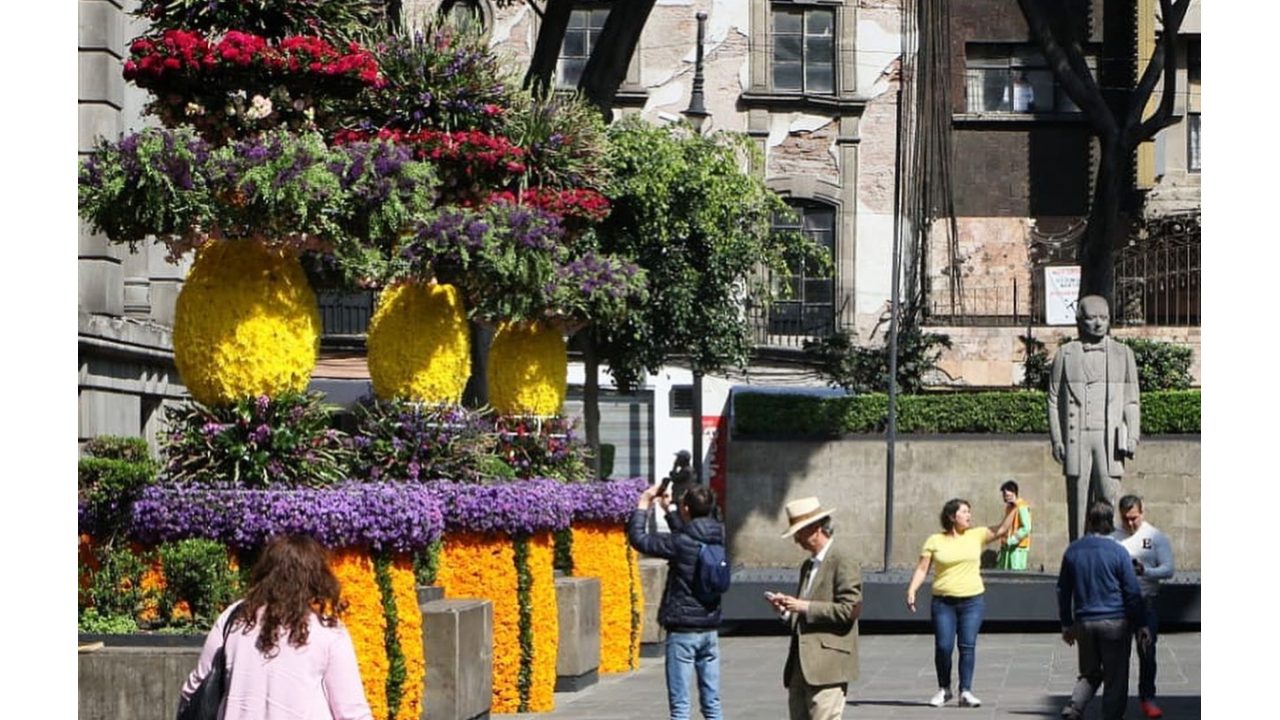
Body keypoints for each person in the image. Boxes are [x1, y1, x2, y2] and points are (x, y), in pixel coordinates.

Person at [179, 534, 373, 720]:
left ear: (265, 573)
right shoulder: (328, 632)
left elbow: (193, 689)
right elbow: (351, 712)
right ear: (316, 579)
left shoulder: (233, 619)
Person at [1047, 294, 1141, 541]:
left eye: (1103, 318)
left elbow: (1132, 399)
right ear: (1080, 320)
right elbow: (1054, 399)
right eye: (1091, 318)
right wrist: (1057, 439)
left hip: (1109, 437)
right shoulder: (1066, 353)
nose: (1098, 323)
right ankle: (1077, 548)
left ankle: (1110, 549)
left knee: (1109, 496)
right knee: (1077, 498)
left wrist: (1132, 435)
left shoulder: (1124, 353)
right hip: (1077, 435)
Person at [627, 483, 725, 720]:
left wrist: (643, 504)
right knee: (712, 702)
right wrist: (668, 511)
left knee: (681, 706)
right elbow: (690, 536)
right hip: (709, 628)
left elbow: (640, 539)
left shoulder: (681, 543)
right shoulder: (719, 536)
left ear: (687, 508)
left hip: (683, 630)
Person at [905, 498, 1016, 708]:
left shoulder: (977, 535)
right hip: (943, 603)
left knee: (967, 646)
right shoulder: (935, 540)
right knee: (944, 647)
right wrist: (912, 589)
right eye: (964, 512)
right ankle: (944, 689)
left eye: (969, 512)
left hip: (972, 601)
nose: (968, 516)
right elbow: (922, 569)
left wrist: (1015, 507)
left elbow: (1002, 529)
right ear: (951, 516)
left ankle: (965, 691)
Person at [765, 496, 862, 720]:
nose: (796, 540)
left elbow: (851, 610)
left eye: (799, 533)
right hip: (801, 665)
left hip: (828, 665)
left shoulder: (843, 559)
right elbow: (803, 612)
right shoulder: (808, 565)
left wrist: (804, 606)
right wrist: (786, 609)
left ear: (815, 529)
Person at [1057, 501, 1151, 720]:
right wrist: (1141, 624)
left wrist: (1066, 624)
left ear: (1089, 522)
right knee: (1115, 678)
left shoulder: (1073, 551)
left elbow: (1063, 590)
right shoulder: (1119, 552)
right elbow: (1131, 592)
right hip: (1115, 622)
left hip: (1085, 622)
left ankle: (1074, 707)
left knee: (1089, 673)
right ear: (1110, 523)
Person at [1114, 495, 1175, 719]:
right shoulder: (1113, 537)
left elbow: (1169, 569)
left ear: (1142, 512)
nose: (1130, 524)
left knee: (1147, 653)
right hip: (1119, 606)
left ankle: (1148, 697)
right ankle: (1115, 701)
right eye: (1125, 519)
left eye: (1134, 518)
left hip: (1146, 602)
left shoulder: (1155, 537)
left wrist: (1146, 571)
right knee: (1117, 658)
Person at [995, 480, 1033, 570]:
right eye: (1004, 495)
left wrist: (1012, 539)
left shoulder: (1022, 506)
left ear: (1014, 493)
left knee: (1016, 574)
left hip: (1018, 549)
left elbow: (1027, 527)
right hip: (1008, 547)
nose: (1005, 498)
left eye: (1007, 495)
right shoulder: (1009, 507)